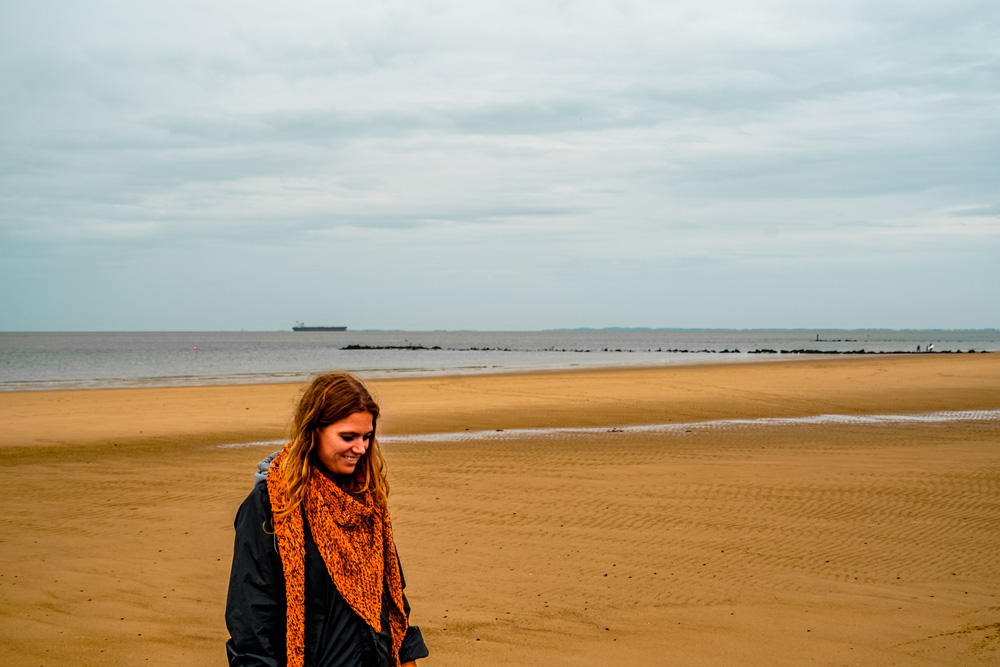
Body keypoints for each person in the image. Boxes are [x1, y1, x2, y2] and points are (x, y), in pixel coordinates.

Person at [226, 372, 429, 667]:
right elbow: (252, 624)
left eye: (367, 437)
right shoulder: (270, 507)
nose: (360, 448)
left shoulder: (367, 500)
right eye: (348, 437)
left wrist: (407, 656)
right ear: (314, 430)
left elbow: (393, 596)